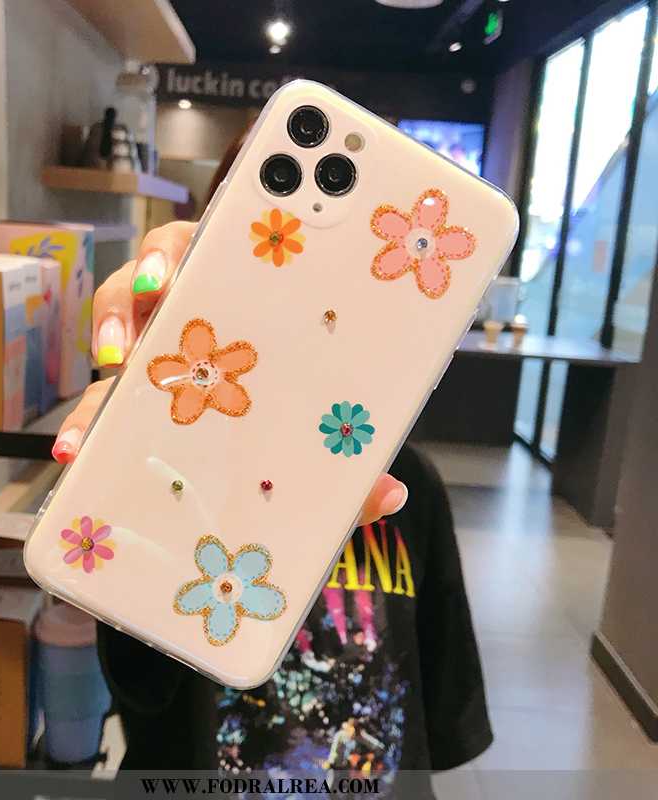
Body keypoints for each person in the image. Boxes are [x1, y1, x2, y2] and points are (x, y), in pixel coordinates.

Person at [50, 149, 492, 798]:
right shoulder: (175, 471)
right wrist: (137, 467)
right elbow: (141, 692)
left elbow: (442, 714)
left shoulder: (406, 489)